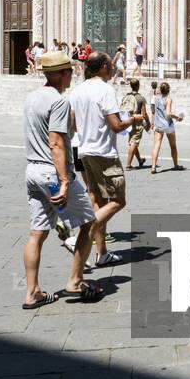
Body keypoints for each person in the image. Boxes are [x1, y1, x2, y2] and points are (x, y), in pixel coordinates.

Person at [21, 49, 102, 308]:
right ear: (63, 73)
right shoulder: (58, 101)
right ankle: (75, 282)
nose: (73, 76)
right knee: (89, 223)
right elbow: (56, 143)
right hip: (52, 172)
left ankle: (32, 292)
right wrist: (65, 181)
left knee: (37, 233)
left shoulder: (32, 99)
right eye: (71, 72)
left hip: (32, 171)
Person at [69, 52, 133, 268]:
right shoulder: (106, 90)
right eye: (111, 64)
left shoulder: (77, 91)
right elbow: (116, 125)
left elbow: (73, 125)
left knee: (98, 201)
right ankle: (82, 234)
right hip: (104, 153)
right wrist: (132, 119)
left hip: (83, 150)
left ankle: (102, 253)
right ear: (104, 66)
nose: (113, 67)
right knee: (118, 201)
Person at [150, 82, 184, 174]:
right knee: (173, 146)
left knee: (156, 145)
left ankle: (153, 167)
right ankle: (176, 165)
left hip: (158, 124)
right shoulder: (168, 99)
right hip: (168, 124)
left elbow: (153, 111)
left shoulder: (156, 98)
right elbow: (168, 113)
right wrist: (178, 117)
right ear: (168, 90)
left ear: (160, 89)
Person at [121, 78, 150, 169]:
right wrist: (148, 123)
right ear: (138, 86)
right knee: (134, 142)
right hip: (137, 122)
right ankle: (128, 165)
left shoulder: (126, 96)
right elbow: (144, 114)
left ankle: (140, 160)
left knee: (133, 141)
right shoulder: (141, 98)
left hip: (128, 122)